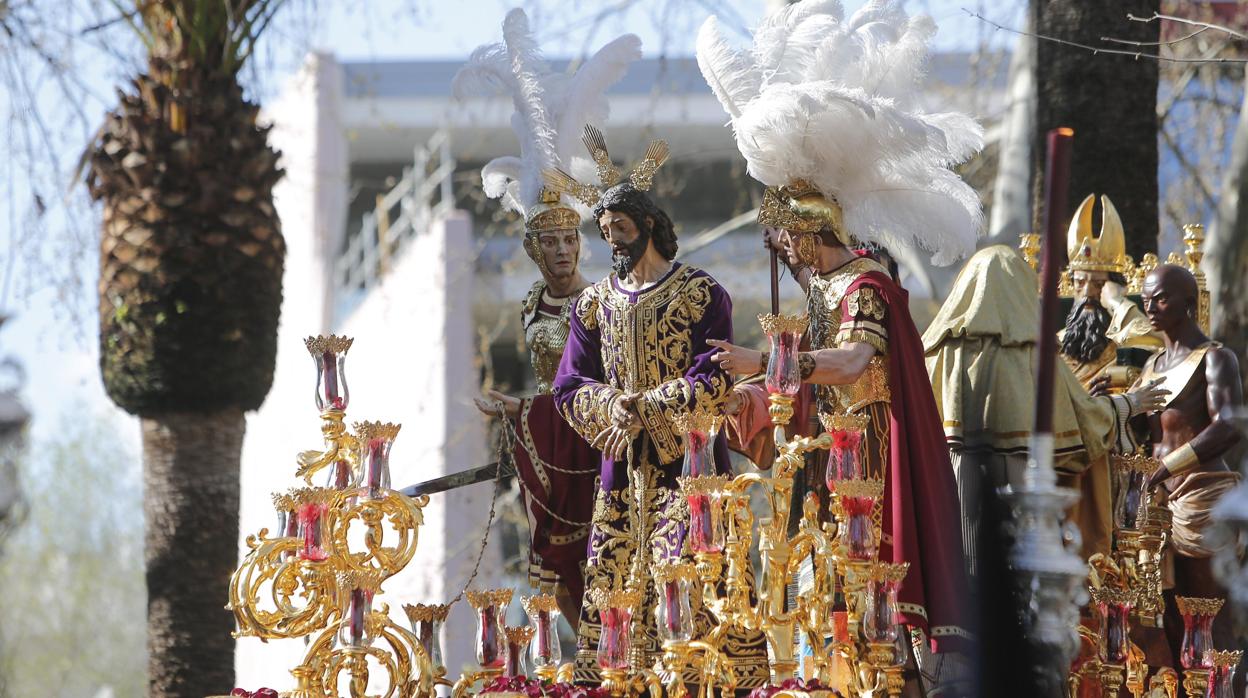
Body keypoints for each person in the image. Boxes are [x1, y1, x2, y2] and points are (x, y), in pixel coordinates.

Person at [696, 1, 983, 693]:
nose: (787, 247)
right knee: (822, 576)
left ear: (812, 230)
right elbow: (807, 371)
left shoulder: (863, 285)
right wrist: (752, 393)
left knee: (874, 578)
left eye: (792, 236)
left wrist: (763, 362)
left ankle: (897, 676)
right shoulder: (823, 287)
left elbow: (851, 363)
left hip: (872, 455)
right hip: (827, 450)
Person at [546, 132, 769, 687]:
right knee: (617, 582)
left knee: (697, 571)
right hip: (621, 470)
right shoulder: (594, 305)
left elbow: (714, 372)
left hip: (689, 466)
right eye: (605, 232)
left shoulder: (700, 294)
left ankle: (706, 678)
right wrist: (612, 404)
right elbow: (569, 383)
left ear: (648, 224)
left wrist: (648, 405)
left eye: (621, 228)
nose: (613, 241)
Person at [454, 10, 643, 625]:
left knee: (601, 582)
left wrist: (531, 412)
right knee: (558, 589)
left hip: (597, 454)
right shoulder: (533, 304)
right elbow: (547, 384)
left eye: (570, 242)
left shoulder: (602, 303)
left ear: (580, 245)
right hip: (546, 451)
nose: (562, 252)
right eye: (550, 244)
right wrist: (521, 411)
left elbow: (612, 386)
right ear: (535, 251)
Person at [921, 246, 1167, 577]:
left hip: (948, 481)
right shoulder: (1031, 352)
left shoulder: (937, 352)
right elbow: (1080, 418)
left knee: (958, 578)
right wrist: (1130, 404)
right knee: (1014, 586)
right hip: (1018, 484)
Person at [1135, 264, 1243, 688]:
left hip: (1202, 499)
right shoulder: (1152, 364)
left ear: (1188, 301)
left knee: (1208, 617)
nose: (1150, 307)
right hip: (1157, 507)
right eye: (1146, 298)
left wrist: (1170, 464)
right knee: (1165, 619)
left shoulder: (1216, 358)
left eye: (1160, 297)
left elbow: (1229, 426)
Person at [1057, 194, 1163, 559]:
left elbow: (1154, 348)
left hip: (1113, 462)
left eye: (1097, 284)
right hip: (1063, 458)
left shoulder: (1125, 339)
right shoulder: (1055, 345)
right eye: (1080, 282)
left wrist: (1117, 303)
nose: (1087, 292)